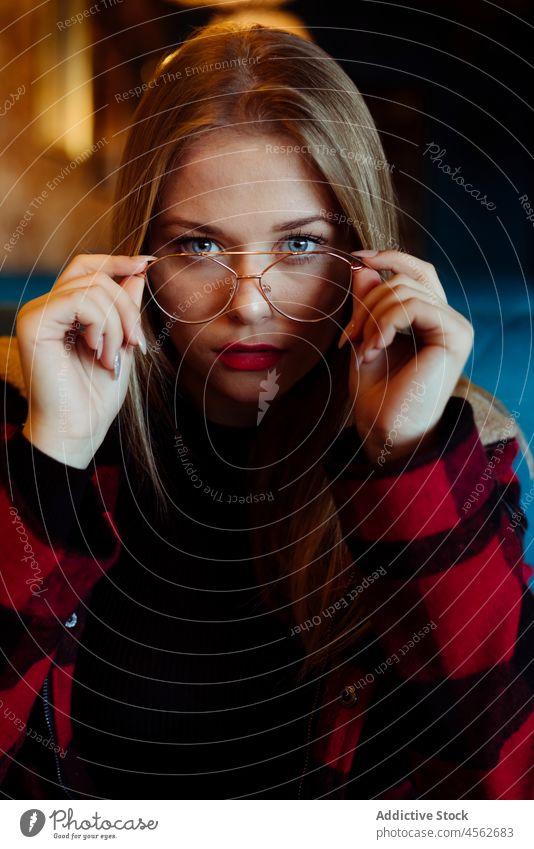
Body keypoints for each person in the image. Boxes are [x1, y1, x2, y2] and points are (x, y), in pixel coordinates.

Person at [1, 20, 533, 801]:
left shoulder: (465, 444)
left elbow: (506, 790)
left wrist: (407, 458)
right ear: (137, 252)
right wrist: (52, 458)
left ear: (364, 249)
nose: (249, 305)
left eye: (300, 246)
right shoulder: (26, 415)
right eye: (199, 247)